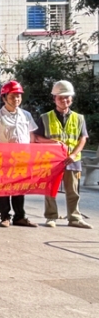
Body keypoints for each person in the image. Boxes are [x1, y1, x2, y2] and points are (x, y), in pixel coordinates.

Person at [0, 80, 40, 228]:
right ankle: (5, 216)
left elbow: (32, 137)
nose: (16, 99)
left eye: (18, 96)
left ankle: (20, 217)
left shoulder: (26, 115)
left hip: (22, 159)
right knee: (3, 188)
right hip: (4, 159)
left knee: (20, 188)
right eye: (12, 96)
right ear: (4, 98)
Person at [37, 80, 91, 229]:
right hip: (51, 160)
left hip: (72, 160)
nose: (64, 100)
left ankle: (74, 218)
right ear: (54, 98)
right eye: (60, 97)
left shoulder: (79, 118)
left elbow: (83, 138)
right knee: (50, 190)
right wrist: (51, 142)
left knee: (73, 191)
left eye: (67, 97)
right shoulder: (45, 117)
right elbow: (36, 138)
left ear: (71, 98)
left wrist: (73, 154)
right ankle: (51, 217)